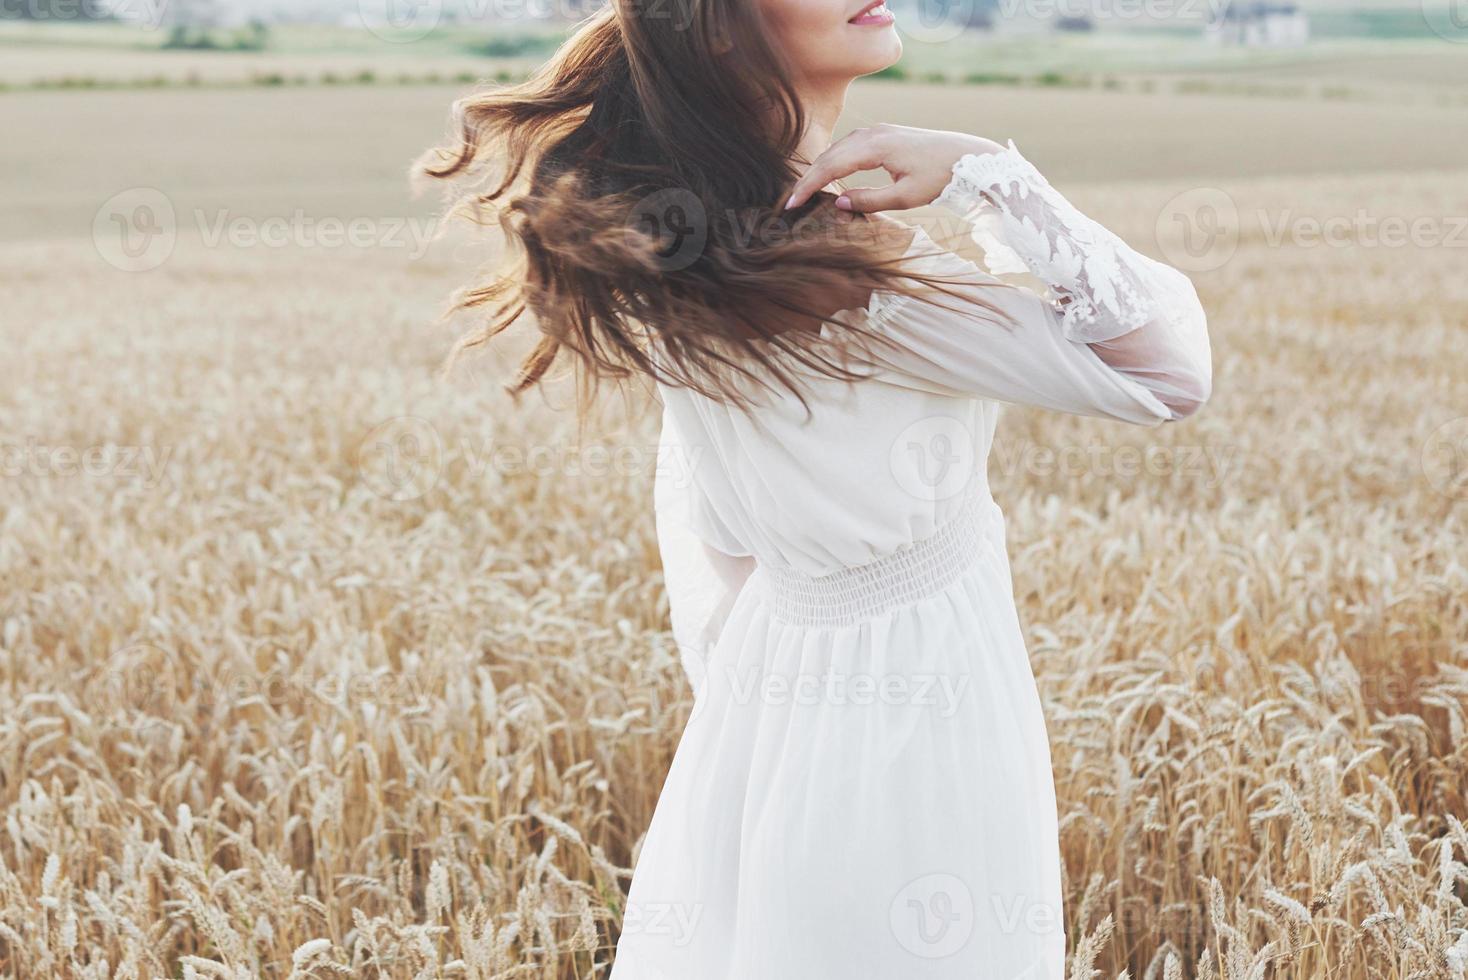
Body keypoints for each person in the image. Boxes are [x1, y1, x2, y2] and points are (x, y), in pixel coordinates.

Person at [420, 0, 1211, 974]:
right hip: (919, 703)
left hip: (775, 695)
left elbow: (719, 527)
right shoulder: (843, 264)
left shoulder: (701, 243)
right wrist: (983, 174)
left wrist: (757, 715)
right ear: (715, 27)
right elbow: (1165, 375)